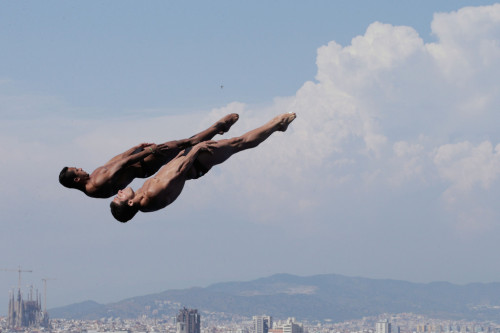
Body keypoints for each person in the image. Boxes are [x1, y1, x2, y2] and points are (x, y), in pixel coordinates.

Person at [110, 112, 297, 222]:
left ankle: (218, 128)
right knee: (237, 144)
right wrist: (196, 150)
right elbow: (178, 172)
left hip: (189, 161)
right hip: (195, 162)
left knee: (198, 141)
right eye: (120, 197)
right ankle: (276, 125)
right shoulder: (151, 195)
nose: (119, 192)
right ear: (131, 203)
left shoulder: (143, 198)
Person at [59, 114, 239, 198]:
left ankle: (216, 130)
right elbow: (122, 165)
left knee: (183, 145)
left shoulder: (92, 180)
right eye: (77, 170)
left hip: (140, 158)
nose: (81, 168)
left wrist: (134, 148)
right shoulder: (95, 184)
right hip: (144, 163)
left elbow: (116, 160)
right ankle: (219, 127)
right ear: (76, 180)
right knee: (183, 143)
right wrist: (149, 151)